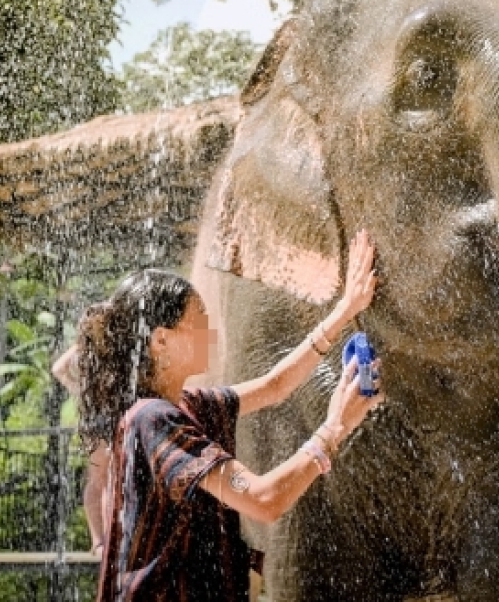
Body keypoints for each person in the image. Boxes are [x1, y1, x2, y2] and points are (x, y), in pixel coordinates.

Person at [80, 230, 383, 602]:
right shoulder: (153, 420)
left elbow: (275, 385)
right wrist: (333, 428)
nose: (213, 332)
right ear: (161, 341)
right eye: (200, 321)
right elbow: (263, 498)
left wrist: (346, 309)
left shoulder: (189, 405)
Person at [51, 326, 111, 558]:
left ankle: (105, 541)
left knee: (106, 479)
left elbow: (58, 369)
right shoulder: (86, 348)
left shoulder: (102, 347)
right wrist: (79, 391)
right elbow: (57, 369)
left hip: (103, 416)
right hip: (98, 419)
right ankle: (100, 541)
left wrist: (79, 391)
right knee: (101, 479)